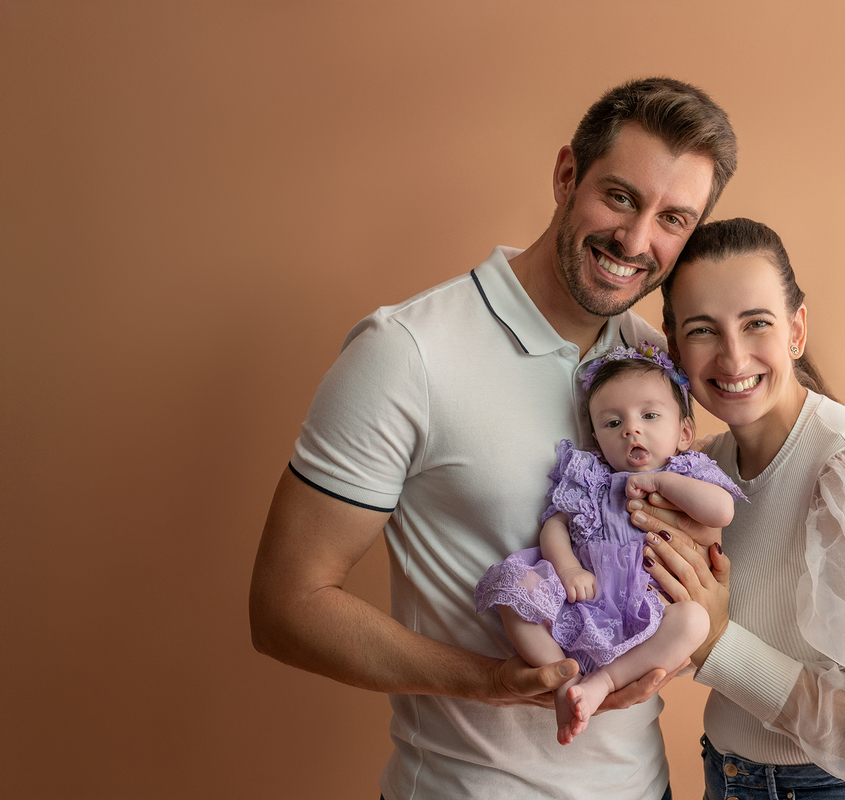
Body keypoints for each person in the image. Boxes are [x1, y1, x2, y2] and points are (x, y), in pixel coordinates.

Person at [247, 78, 737, 800]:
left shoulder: (652, 365)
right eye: (622, 197)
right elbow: (285, 606)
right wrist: (494, 683)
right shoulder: (407, 352)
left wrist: (712, 618)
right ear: (567, 176)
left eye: (673, 218)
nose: (636, 241)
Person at [633, 218, 845, 798]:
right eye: (702, 330)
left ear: (796, 330)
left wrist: (721, 644)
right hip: (730, 779)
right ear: (673, 347)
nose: (733, 356)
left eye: (756, 324)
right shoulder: (700, 474)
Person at [475, 343, 746, 745]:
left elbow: (722, 511)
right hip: (584, 594)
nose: (631, 429)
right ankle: (562, 674)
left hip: (647, 604)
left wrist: (661, 482)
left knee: (695, 621)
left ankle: (602, 682)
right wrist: (567, 568)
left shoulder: (688, 472)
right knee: (514, 588)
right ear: (595, 436)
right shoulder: (590, 474)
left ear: (684, 432)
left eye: (649, 416)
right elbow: (555, 525)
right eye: (612, 422)